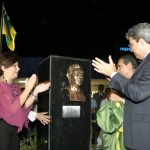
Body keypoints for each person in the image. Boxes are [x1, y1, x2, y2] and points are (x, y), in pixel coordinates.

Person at [92, 22, 150, 150]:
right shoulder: (145, 63)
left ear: (141, 41)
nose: (131, 48)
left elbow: (138, 93)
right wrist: (113, 79)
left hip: (144, 136)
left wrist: (113, 74)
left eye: (132, 44)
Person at [0, 51, 51, 150]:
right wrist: (27, 88)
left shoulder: (16, 87)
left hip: (14, 130)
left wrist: (35, 91)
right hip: (2, 129)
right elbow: (12, 108)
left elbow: (23, 107)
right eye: (14, 66)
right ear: (3, 67)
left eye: (18, 65)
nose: (18, 69)